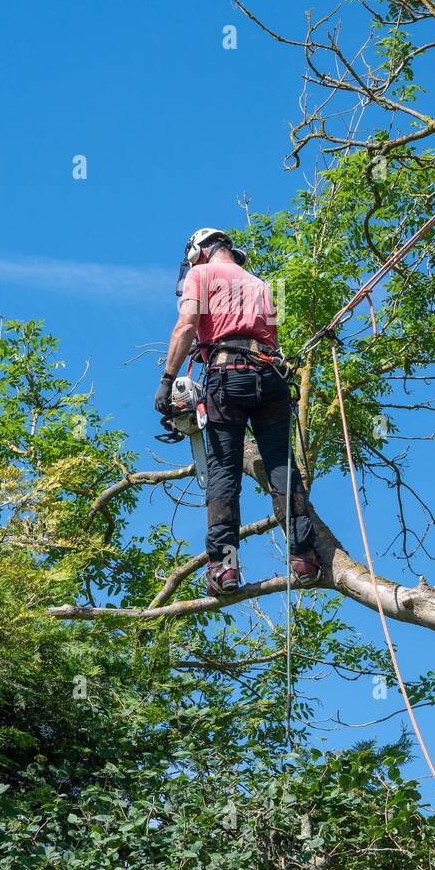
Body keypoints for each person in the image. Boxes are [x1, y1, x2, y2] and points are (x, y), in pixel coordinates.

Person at [154, 227, 321, 598]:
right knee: (282, 465)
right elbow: (270, 338)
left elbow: (186, 326)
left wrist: (167, 379)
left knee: (224, 473)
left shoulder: (201, 274)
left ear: (199, 251)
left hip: (228, 378)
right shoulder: (262, 284)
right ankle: (304, 558)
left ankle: (224, 569)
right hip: (270, 376)